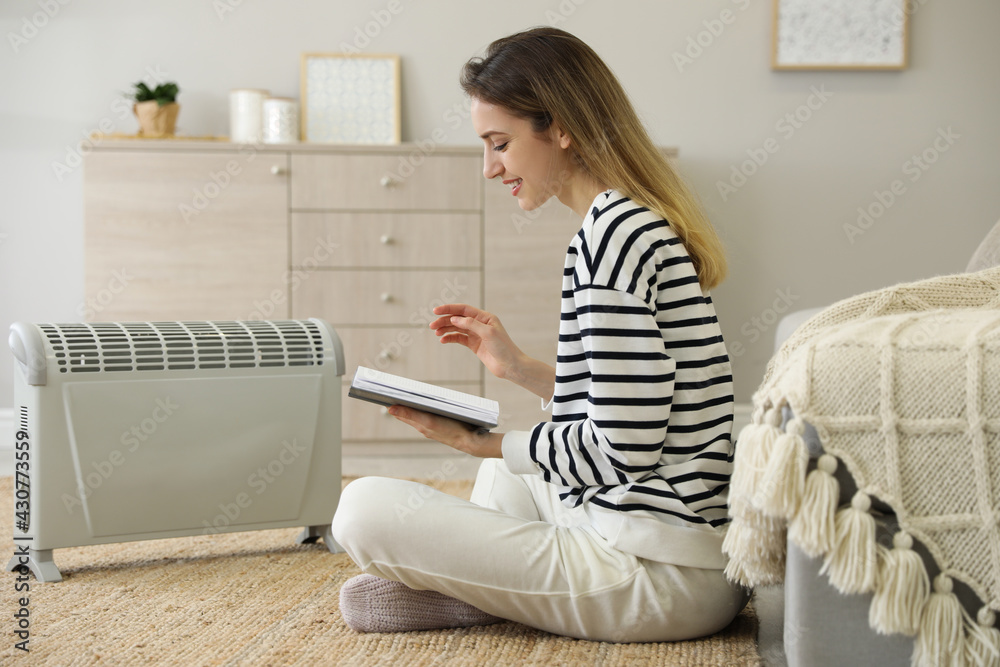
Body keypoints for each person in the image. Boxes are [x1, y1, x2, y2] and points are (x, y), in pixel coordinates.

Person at [331, 26, 748, 643]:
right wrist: (521, 369)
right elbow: (637, 404)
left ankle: (485, 593)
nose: (489, 167)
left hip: (662, 572)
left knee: (362, 508)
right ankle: (502, 590)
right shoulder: (622, 222)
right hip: (650, 537)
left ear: (559, 128)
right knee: (513, 473)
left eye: (499, 143)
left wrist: (485, 443)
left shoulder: (612, 237)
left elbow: (624, 450)